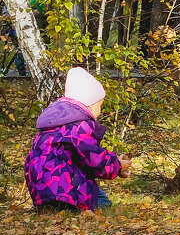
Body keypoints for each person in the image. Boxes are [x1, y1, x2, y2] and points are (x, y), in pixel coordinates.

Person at [25, 67, 131, 212]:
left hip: (43, 187)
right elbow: (93, 158)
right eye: (100, 106)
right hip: (65, 189)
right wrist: (117, 165)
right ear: (90, 105)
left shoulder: (54, 124)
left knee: (98, 197)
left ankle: (51, 209)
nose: (100, 111)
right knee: (103, 205)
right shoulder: (80, 125)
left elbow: (81, 158)